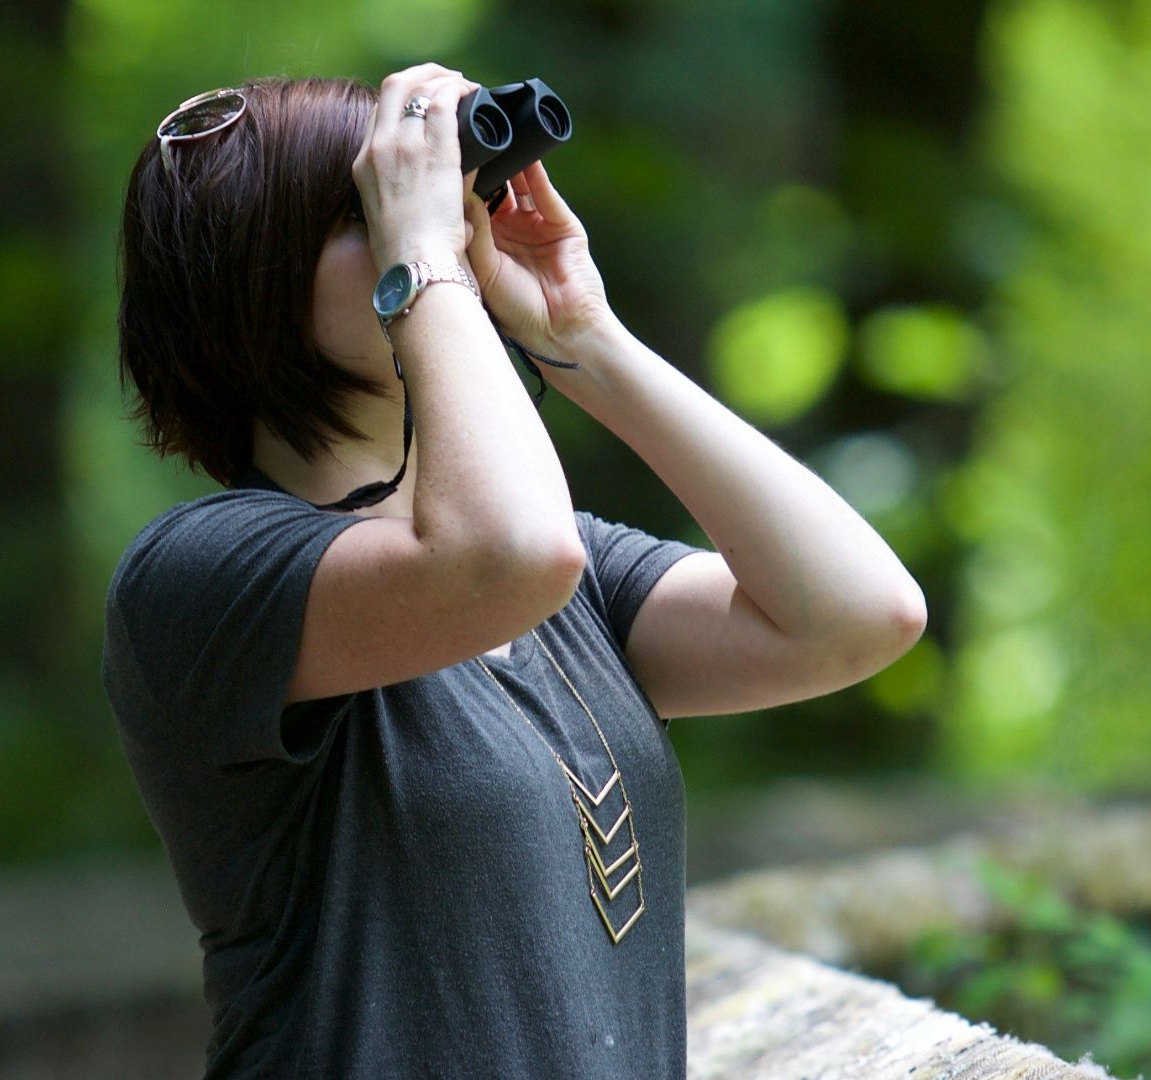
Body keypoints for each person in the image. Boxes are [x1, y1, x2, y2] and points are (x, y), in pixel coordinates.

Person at [104, 62, 928, 1078]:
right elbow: (505, 557)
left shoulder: (563, 576)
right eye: (371, 212)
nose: (443, 227)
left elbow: (855, 616)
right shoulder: (202, 574)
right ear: (250, 276)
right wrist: (427, 265)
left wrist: (586, 337)